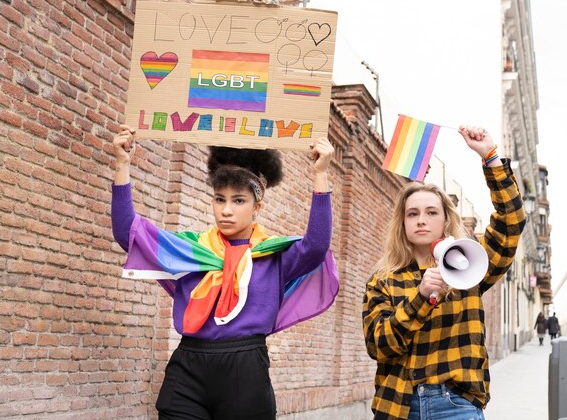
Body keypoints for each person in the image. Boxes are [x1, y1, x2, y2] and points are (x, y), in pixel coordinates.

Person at [111, 125, 338, 419]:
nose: (226, 210)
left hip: (245, 373)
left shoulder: (274, 256)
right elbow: (127, 233)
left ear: (257, 206)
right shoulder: (191, 251)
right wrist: (122, 163)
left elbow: (316, 246)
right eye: (220, 199)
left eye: (238, 200)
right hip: (187, 370)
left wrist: (320, 175)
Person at [362, 126, 526, 420]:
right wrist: (421, 298)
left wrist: (489, 157)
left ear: (445, 219)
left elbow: (511, 221)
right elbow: (379, 346)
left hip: (456, 405)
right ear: (402, 223)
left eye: (431, 212)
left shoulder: (469, 265)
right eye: (413, 214)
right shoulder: (383, 280)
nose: (421, 220)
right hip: (399, 406)